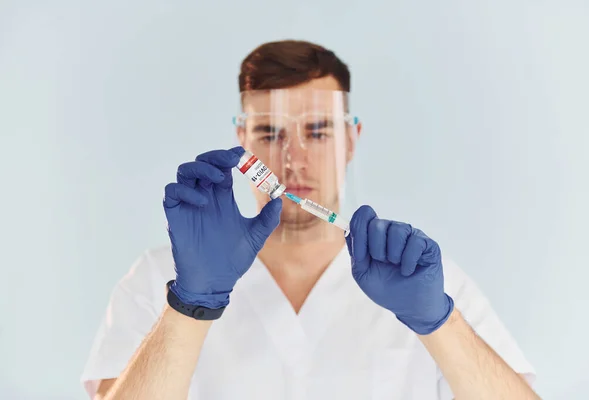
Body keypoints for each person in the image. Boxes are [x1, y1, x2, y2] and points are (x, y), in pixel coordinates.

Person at [81, 40, 539, 400]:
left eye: (319, 132)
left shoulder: (425, 281)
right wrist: (190, 304)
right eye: (269, 133)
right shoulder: (159, 281)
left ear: (351, 139)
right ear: (241, 140)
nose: (293, 158)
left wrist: (439, 324)